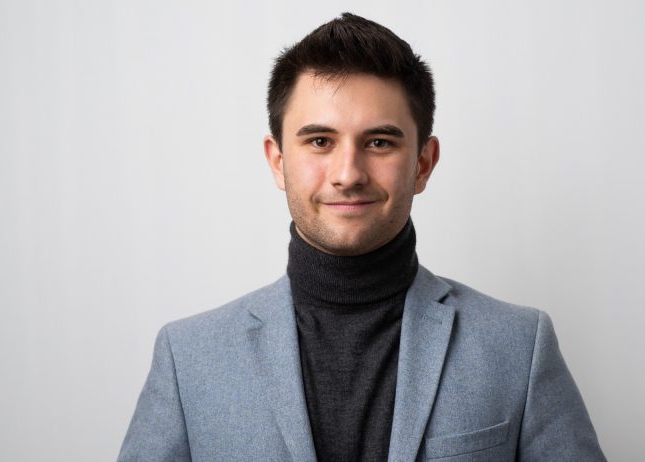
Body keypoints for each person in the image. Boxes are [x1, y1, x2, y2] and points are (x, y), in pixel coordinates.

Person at [118, 12, 606, 462]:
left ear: (423, 163)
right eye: (319, 141)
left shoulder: (519, 346)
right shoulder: (189, 357)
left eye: (379, 142)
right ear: (277, 160)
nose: (347, 173)